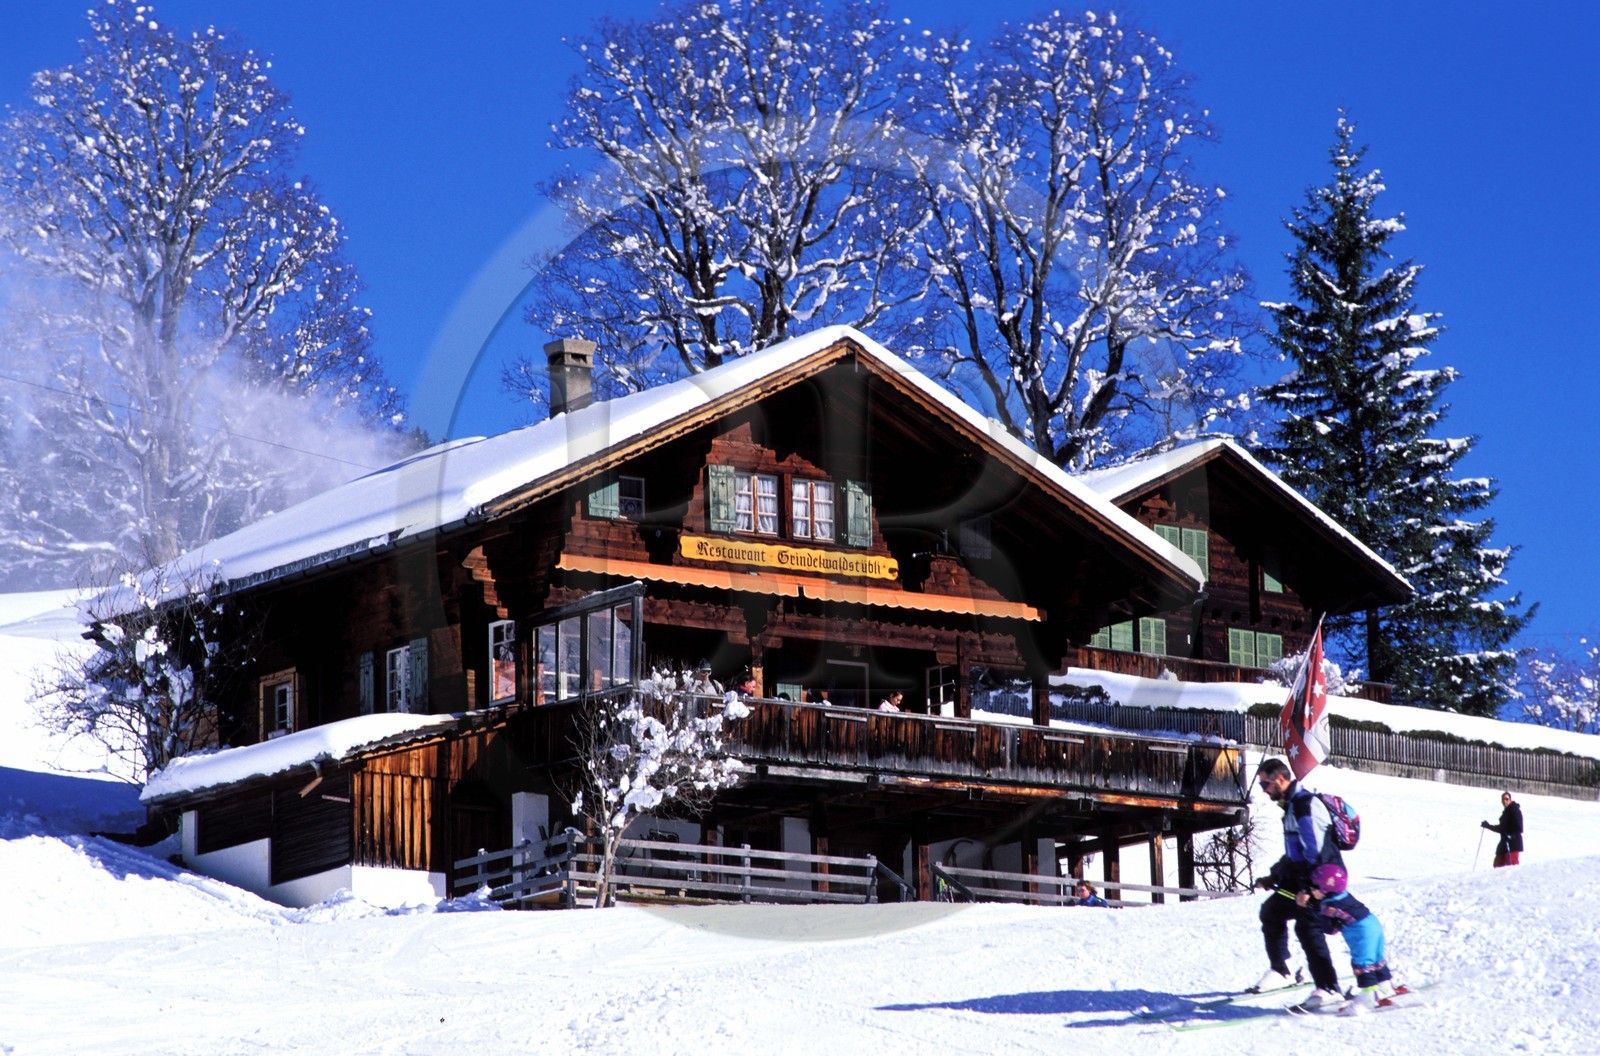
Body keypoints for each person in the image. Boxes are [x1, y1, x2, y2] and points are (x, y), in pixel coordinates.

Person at [1250, 757, 1344, 1008]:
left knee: (1308, 927)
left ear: (1280, 779)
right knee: (1271, 912)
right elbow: (1295, 853)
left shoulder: (1304, 806)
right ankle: (1282, 970)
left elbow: (1316, 852)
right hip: (1302, 880)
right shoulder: (1291, 807)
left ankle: (1329, 988)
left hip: (1322, 880)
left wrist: (1311, 889)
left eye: (1265, 784)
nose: (1264, 790)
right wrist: (1275, 876)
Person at [1297, 863, 1404, 1015]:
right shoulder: (1342, 895)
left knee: (1362, 962)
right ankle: (1385, 987)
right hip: (1373, 924)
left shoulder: (1328, 905)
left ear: (1327, 889)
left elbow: (1329, 929)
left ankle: (1368, 997)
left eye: (1315, 887)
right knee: (1375, 958)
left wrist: (1308, 907)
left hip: (1361, 932)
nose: (1311, 890)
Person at [1482, 791, 1524, 867]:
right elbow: (1502, 828)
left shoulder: (1515, 810)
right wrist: (1488, 826)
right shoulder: (1506, 812)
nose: (1505, 801)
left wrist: (1511, 835)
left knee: (1511, 866)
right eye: (1503, 799)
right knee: (1497, 864)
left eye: (1506, 799)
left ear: (1510, 800)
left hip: (1513, 843)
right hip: (1504, 842)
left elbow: (1519, 827)